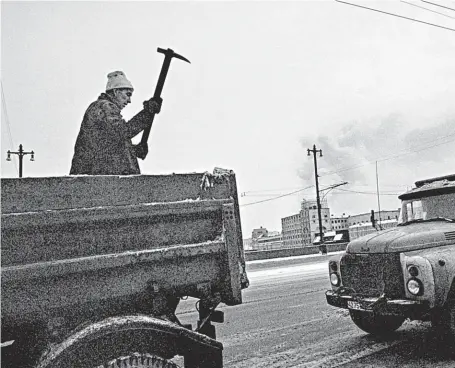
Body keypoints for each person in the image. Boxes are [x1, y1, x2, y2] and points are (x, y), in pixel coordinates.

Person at [70, 71, 162, 175]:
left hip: (92, 175)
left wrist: (134, 150)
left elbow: (108, 145)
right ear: (115, 92)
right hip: (95, 178)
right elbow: (123, 132)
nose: (129, 100)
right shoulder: (104, 107)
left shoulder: (99, 107)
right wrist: (147, 113)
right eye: (127, 95)